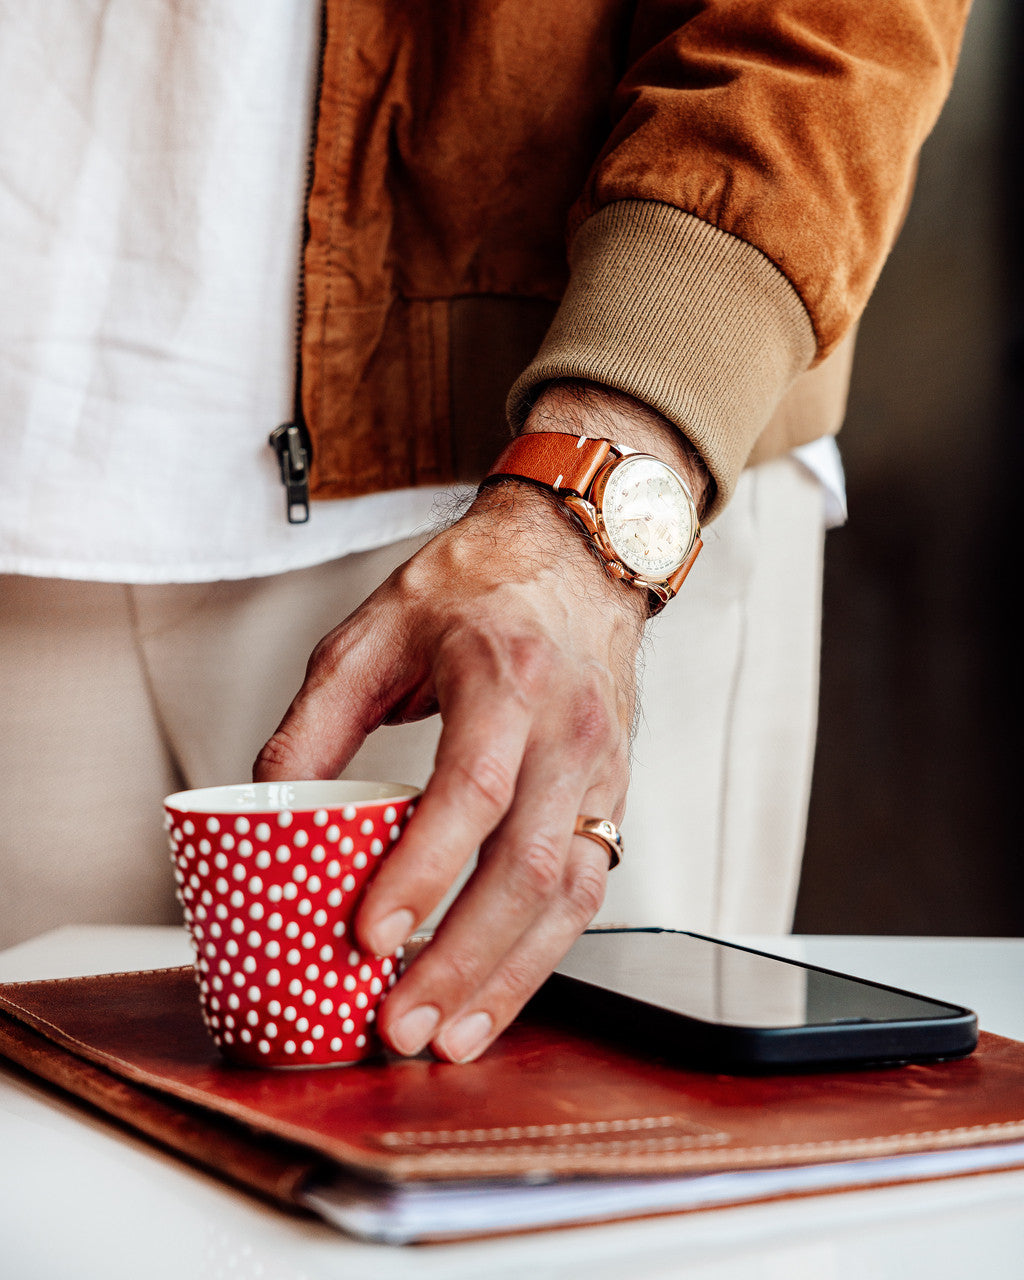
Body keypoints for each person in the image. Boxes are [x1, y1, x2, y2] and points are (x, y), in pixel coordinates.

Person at [0, 2, 970, 1064]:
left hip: (527, 470)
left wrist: (589, 491)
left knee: (567, 1172)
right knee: (52, 1187)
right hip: (36, 454)